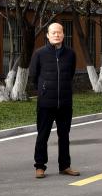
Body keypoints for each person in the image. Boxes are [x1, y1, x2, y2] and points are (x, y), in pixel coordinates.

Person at [29, 22, 80, 179]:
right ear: (48, 35)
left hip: (65, 102)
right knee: (42, 135)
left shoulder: (70, 54)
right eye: (53, 32)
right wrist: (44, 89)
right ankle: (40, 166)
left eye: (59, 32)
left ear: (63, 34)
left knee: (64, 135)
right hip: (46, 103)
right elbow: (33, 76)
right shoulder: (39, 53)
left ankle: (65, 166)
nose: (56, 35)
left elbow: (70, 74)